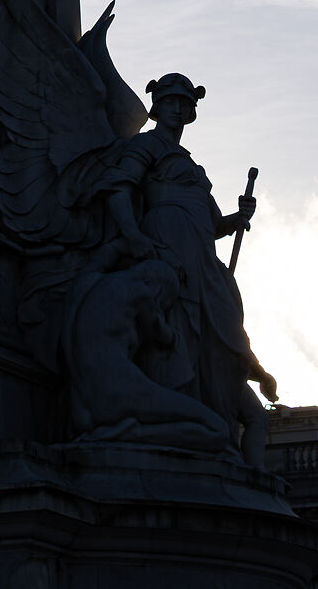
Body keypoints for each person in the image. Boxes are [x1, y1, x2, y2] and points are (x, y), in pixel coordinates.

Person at [110, 74, 277, 466]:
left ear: (190, 112)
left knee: (215, 325)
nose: (177, 109)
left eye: (184, 104)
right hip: (166, 242)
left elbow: (213, 224)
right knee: (178, 322)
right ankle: (177, 411)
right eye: (170, 101)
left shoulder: (193, 169)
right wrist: (133, 236)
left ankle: (209, 415)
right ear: (158, 106)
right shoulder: (146, 145)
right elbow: (119, 189)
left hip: (200, 255)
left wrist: (239, 218)